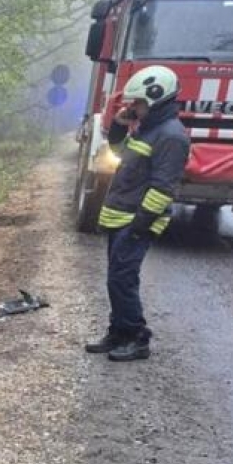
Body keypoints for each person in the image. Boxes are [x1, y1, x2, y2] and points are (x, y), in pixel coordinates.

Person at [85, 65, 190, 361]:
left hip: (135, 220)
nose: (134, 107)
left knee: (123, 278)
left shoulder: (171, 137)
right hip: (122, 216)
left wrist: (140, 225)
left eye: (138, 103)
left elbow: (163, 188)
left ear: (156, 99)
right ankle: (118, 332)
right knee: (115, 278)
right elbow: (122, 153)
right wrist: (119, 125)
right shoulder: (149, 129)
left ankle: (135, 337)